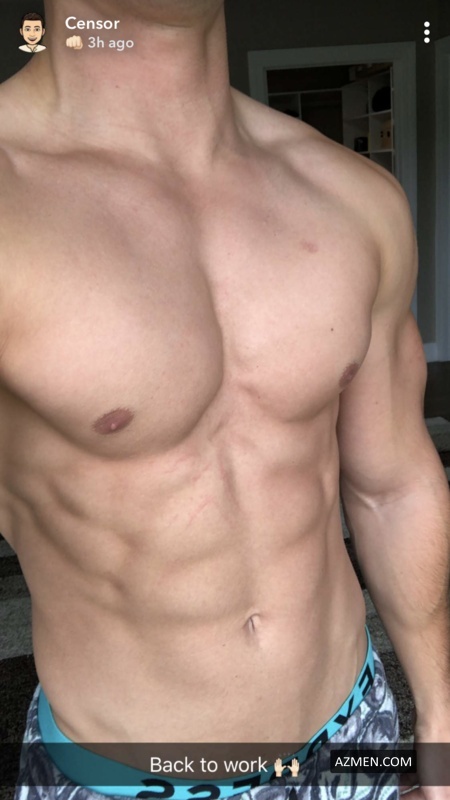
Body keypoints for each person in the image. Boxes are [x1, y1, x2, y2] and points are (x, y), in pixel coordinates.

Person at [0, 1, 448, 799]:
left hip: (358, 736)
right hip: (128, 781)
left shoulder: (352, 197)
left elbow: (394, 486)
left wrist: (440, 730)